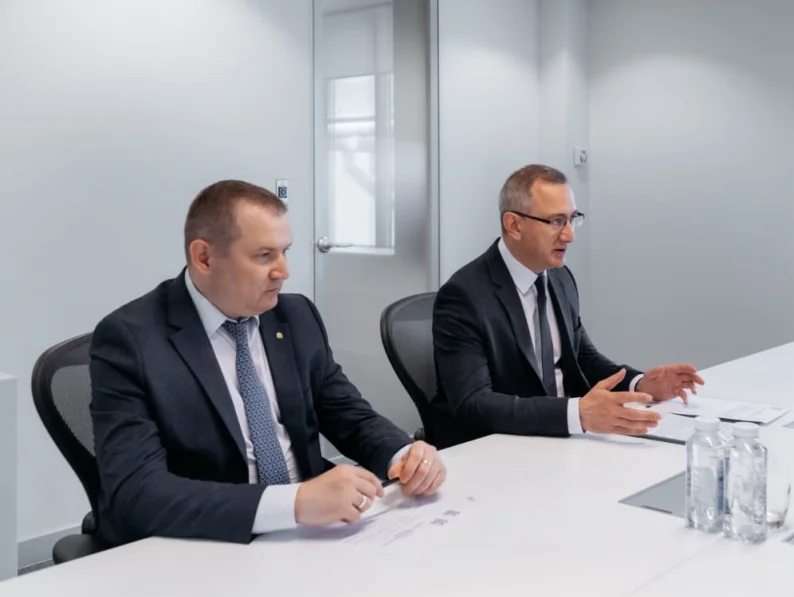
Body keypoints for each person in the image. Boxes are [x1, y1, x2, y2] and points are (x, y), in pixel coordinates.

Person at [90, 180, 446, 547]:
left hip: (309, 534)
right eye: (264, 256)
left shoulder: (295, 316)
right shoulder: (131, 340)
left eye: (284, 252)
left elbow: (347, 414)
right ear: (204, 258)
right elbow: (137, 493)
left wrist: (404, 454)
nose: (283, 271)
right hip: (208, 542)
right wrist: (294, 503)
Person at [431, 164, 704, 448]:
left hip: (564, 441)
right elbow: (474, 403)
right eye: (556, 221)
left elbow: (583, 358)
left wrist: (641, 385)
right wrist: (576, 414)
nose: (569, 235)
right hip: (500, 448)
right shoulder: (464, 296)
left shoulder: (559, 277)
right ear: (514, 225)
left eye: (572, 219)